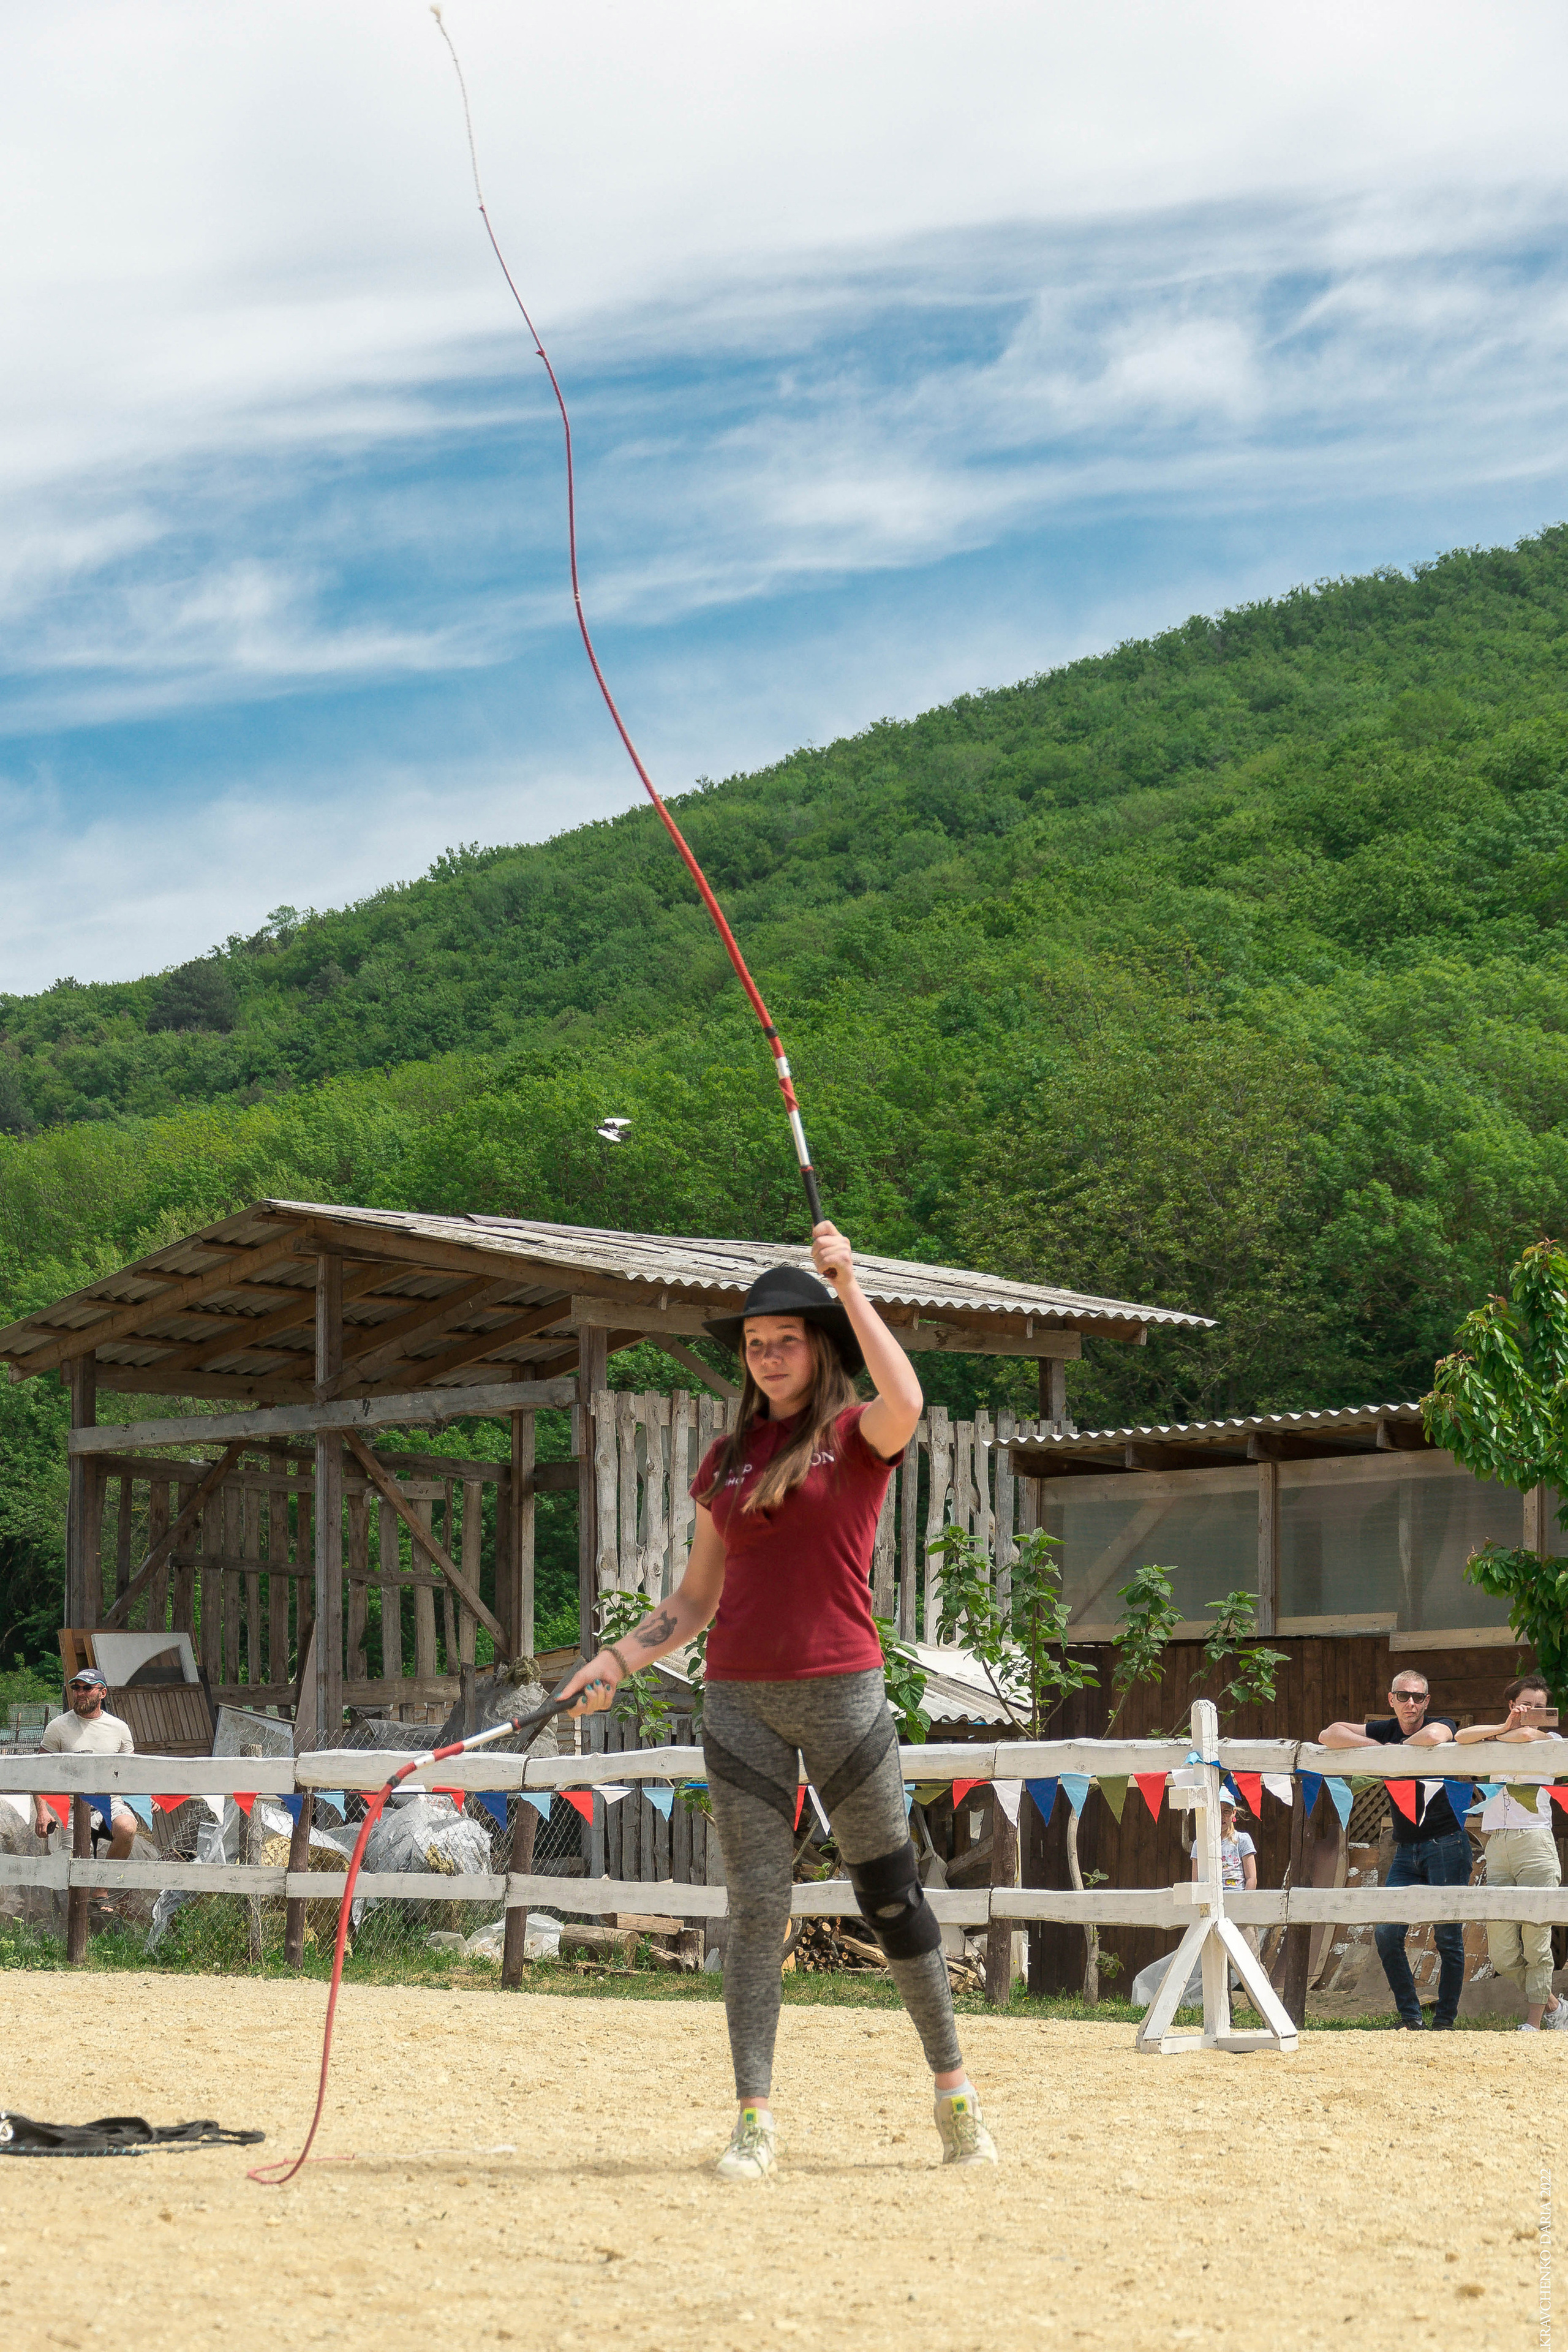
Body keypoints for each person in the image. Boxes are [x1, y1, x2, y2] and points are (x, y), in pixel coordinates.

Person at [560, 1223, 998, 2179]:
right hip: (739, 1703)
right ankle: (753, 2119)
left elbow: (910, 1398)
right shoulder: (724, 1463)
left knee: (890, 1899)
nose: (766, 1355)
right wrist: (614, 1663)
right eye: (756, 1343)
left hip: (844, 1695)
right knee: (756, 1910)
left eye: (785, 1340)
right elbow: (690, 1603)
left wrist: (849, 1284)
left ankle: (954, 2093)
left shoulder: (855, 1437)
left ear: (820, 1346)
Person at [1319, 1670, 1466, 2030]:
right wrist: (1381, 1751)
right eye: (1403, 1696)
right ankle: (1410, 2018)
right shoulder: (1385, 1730)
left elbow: (1435, 1735)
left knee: (1447, 1935)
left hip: (1446, 1842)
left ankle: (1445, 2022)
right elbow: (1329, 1733)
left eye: (1418, 1697)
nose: (1411, 1703)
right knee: (1386, 1932)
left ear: (1427, 1701)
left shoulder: (1439, 1722)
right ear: (1391, 1699)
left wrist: (1395, 1753)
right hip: (1406, 1847)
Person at [1455, 1673, 1568, 2034]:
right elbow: (1460, 1737)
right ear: (1512, 1705)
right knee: (1503, 1953)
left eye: (1539, 1706)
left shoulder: (1549, 1739)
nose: (1532, 1712)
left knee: (1536, 1939)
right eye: (1526, 1704)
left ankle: (1534, 2023)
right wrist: (1503, 1727)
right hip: (1497, 1844)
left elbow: (1524, 1736)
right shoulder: (1498, 1737)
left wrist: (1504, 1732)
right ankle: (1555, 2006)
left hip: (1535, 1842)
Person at [36, 1668, 137, 1860]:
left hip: (110, 1803)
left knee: (127, 1828)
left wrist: (149, 1796)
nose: (80, 1693)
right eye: (76, 1687)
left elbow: (131, 1770)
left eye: (87, 1688)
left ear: (102, 1693)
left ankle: (103, 1890)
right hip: (72, 1808)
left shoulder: (119, 1728)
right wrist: (42, 1812)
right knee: (75, 1865)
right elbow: (39, 1772)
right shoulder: (58, 1727)